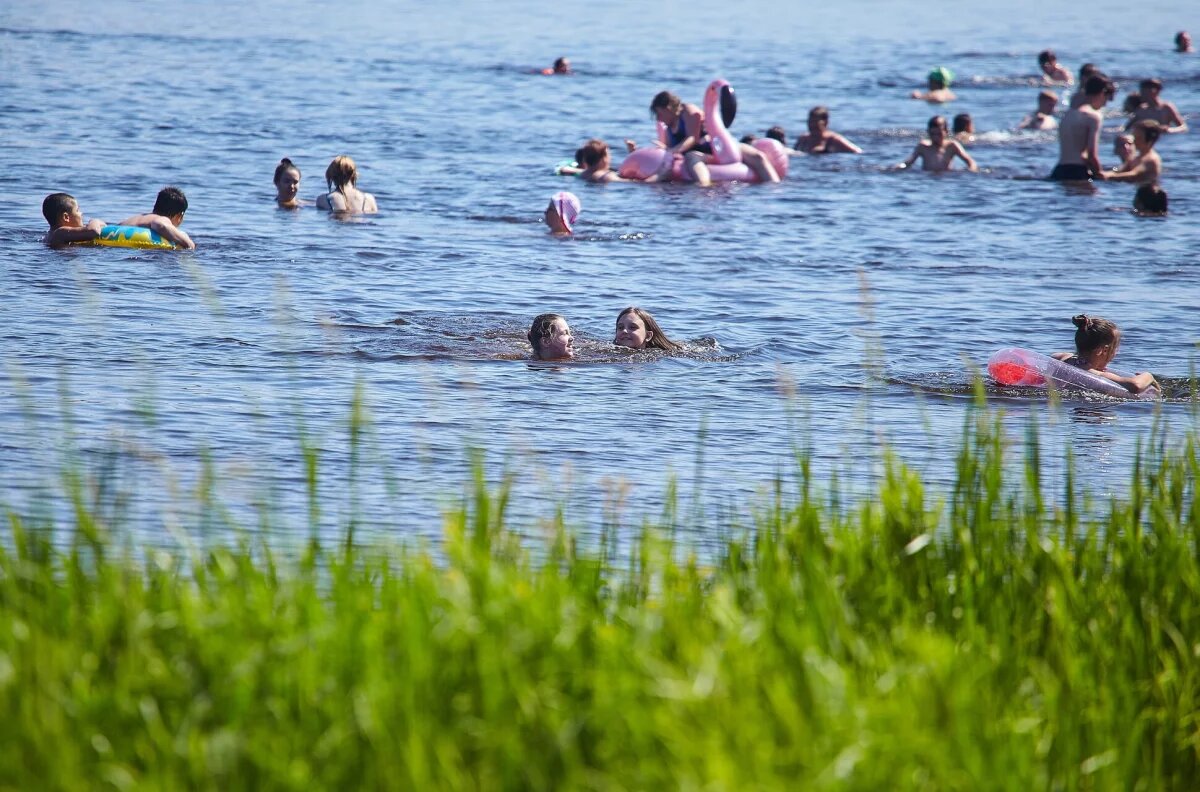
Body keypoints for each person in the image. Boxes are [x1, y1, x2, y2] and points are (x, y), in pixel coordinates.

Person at [647, 90, 779, 186]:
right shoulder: (669, 127)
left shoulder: (687, 111)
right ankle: (704, 186)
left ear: (669, 108)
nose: (658, 118)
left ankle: (775, 189)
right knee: (692, 157)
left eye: (659, 113)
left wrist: (672, 150)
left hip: (718, 146)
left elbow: (692, 138)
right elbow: (672, 150)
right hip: (699, 155)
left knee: (758, 157)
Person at [1051, 315, 1158, 395]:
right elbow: (1135, 386)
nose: (1116, 352)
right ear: (1102, 350)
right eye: (1115, 348)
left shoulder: (1062, 358)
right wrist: (1149, 376)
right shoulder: (1093, 373)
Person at [1050, 74, 1112, 181]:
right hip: (1078, 171)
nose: (1104, 104)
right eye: (1106, 100)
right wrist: (1100, 174)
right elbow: (1092, 154)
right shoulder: (1093, 116)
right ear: (1102, 93)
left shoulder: (1068, 114)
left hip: (1059, 170)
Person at [120, 186, 196, 249]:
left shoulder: (135, 218)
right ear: (179, 215)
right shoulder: (162, 219)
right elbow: (160, 225)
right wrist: (189, 244)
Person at [898, 116, 977, 172]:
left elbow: (970, 162)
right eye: (933, 134)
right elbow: (908, 163)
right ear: (928, 132)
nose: (936, 137)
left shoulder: (952, 146)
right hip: (927, 177)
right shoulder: (923, 146)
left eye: (939, 134)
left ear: (946, 132)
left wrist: (971, 170)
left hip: (946, 177)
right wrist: (897, 168)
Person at [1104, 120, 1163, 186]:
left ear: (1150, 141)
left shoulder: (1151, 159)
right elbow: (1118, 172)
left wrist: (1109, 177)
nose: (1134, 141)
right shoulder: (1135, 158)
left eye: (1139, 138)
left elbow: (1134, 174)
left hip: (1149, 192)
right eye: (1134, 137)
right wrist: (1101, 174)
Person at [41, 193, 106, 248]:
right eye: (77, 210)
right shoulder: (60, 232)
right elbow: (93, 231)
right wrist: (95, 221)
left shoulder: (49, 236)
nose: (81, 213)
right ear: (66, 217)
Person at [794, 106, 862, 153]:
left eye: (815, 123)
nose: (812, 126)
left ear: (826, 123)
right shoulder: (803, 140)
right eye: (810, 122)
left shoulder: (834, 139)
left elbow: (858, 151)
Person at [613, 307, 681, 352]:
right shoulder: (607, 352)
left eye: (633, 327)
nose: (624, 331)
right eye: (620, 328)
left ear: (648, 336)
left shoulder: (658, 355)